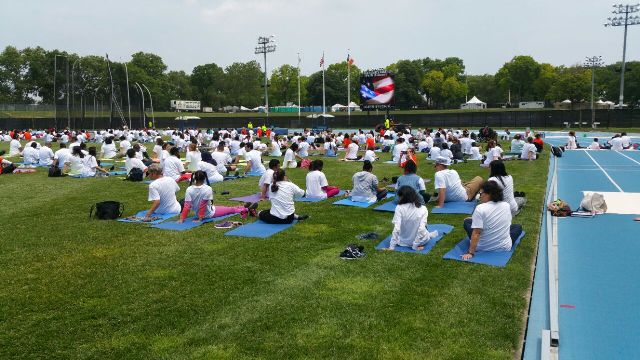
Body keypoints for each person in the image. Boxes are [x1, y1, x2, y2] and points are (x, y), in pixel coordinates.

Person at [461, 181, 523, 260]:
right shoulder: (506, 205)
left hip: (482, 247)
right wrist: (474, 219)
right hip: (504, 247)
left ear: (488, 194)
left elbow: (476, 233)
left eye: (481, 193)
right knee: (517, 227)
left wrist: (470, 253)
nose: (480, 196)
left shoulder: (480, 208)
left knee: (467, 223)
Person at [179, 170, 256, 223]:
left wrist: (182, 219)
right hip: (208, 214)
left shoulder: (189, 189)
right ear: (204, 178)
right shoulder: (207, 188)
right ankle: (246, 209)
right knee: (231, 210)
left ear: (194, 178)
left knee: (228, 208)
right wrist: (200, 219)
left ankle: (242, 206)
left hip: (205, 212)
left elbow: (187, 206)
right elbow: (202, 205)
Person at [385, 186, 439, 251]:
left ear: (402, 197)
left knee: (424, 230)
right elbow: (421, 229)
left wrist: (392, 247)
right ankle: (428, 235)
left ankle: (428, 235)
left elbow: (397, 229)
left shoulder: (399, 207)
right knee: (425, 231)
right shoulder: (423, 208)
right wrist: (415, 245)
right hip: (421, 241)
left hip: (403, 242)